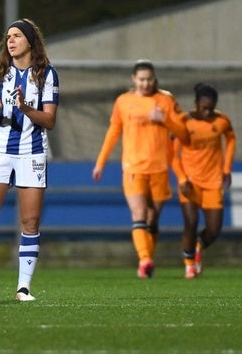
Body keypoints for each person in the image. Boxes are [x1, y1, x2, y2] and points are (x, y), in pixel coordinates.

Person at [0, 18, 59, 301]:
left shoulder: (47, 74)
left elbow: (50, 120)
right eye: (8, 37)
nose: (11, 41)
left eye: (16, 36)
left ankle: (23, 288)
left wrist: (26, 108)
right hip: (0, 151)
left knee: (30, 222)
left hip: (32, 152)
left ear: (30, 41)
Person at [92, 59, 189, 279]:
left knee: (153, 219)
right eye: (142, 79)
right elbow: (113, 132)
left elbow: (183, 133)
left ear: (154, 79)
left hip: (159, 169)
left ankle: (147, 261)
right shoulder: (124, 102)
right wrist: (100, 163)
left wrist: (165, 120)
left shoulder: (165, 100)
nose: (145, 83)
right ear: (134, 79)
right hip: (133, 168)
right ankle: (145, 260)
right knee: (139, 214)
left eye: (149, 79)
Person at [171, 83, 236, 279]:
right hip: (190, 181)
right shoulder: (183, 121)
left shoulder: (222, 120)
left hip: (213, 181)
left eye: (210, 108)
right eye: (203, 107)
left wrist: (226, 169)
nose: (207, 112)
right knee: (191, 222)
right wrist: (182, 178)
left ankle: (197, 247)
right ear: (196, 104)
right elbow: (172, 155)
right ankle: (189, 264)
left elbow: (231, 139)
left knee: (214, 230)